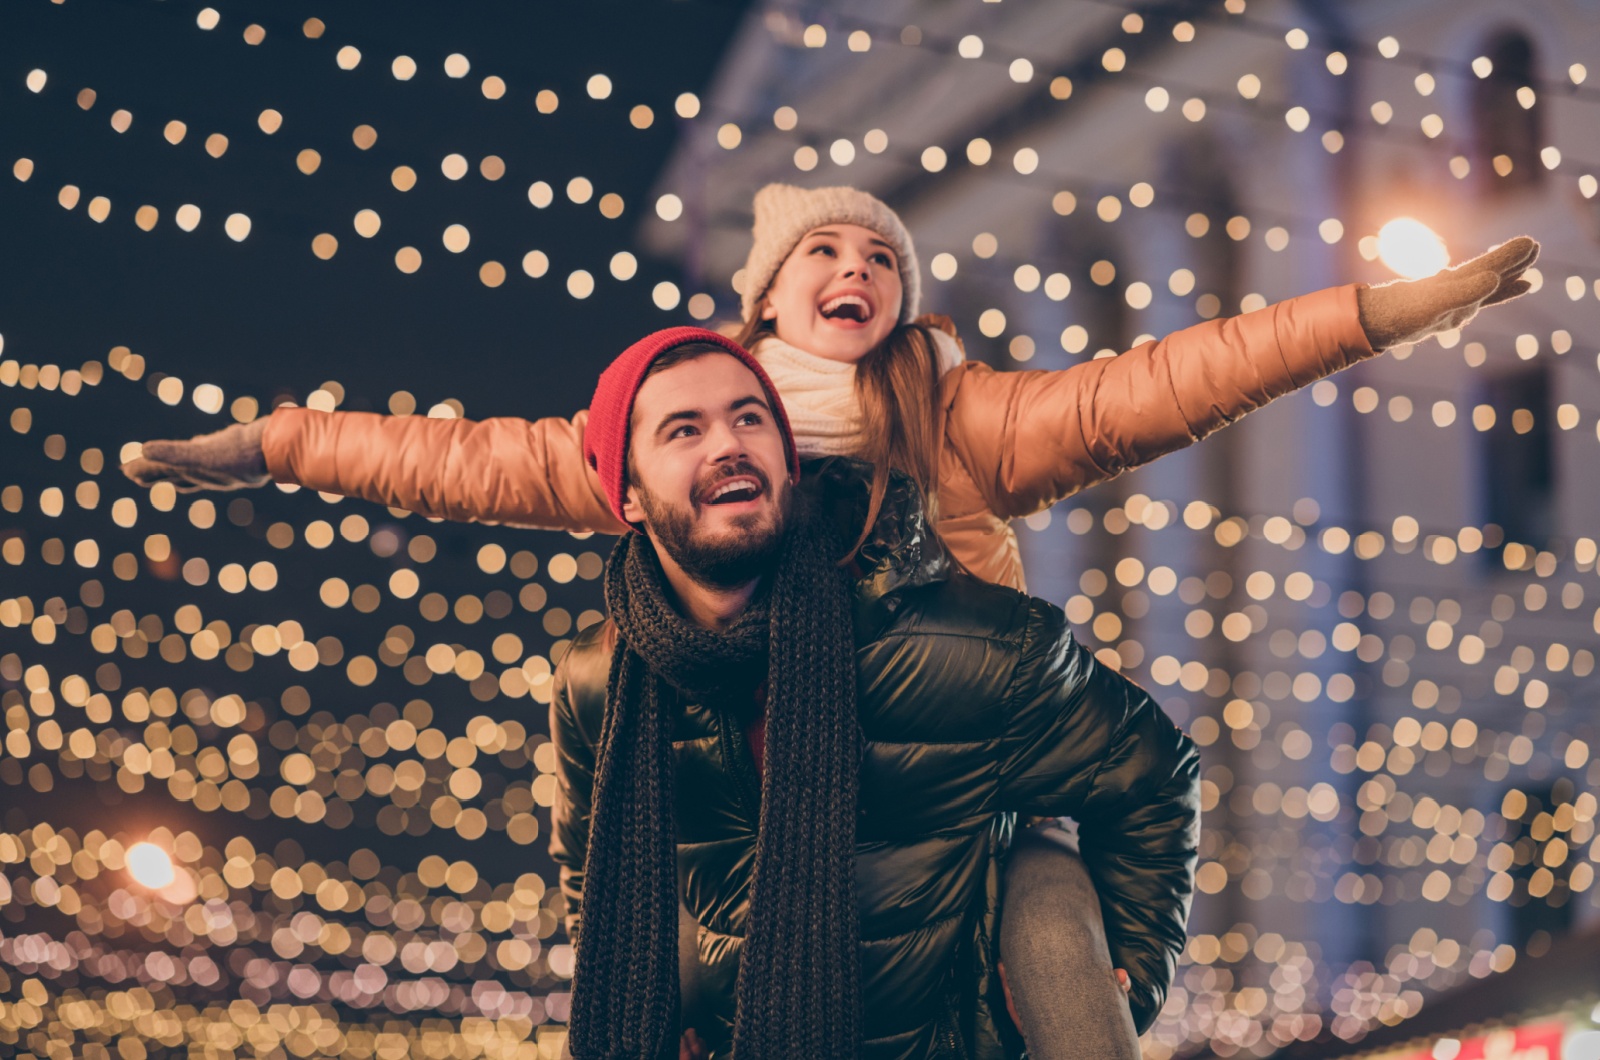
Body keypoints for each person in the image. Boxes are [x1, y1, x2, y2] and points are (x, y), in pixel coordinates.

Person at [121, 184, 1537, 1055]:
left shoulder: (954, 412)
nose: (858, 269)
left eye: (882, 257)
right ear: (768, 290)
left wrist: (1369, 316)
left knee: (1052, 918)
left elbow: (1161, 386)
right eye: (828, 250)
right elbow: (457, 460)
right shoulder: (679, 424)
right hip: (766, 761)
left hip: (957, 757)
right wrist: (284, 443)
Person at [547, 325, 1198, 1057]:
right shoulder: (597, 682)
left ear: (785, 460)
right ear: (628, 493)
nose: (726, 443)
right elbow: (590, 871)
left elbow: (1155, 779)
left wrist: (1124, 988)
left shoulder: (976, 646)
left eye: (749, 417)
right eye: (684, 429)